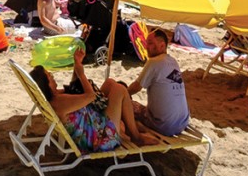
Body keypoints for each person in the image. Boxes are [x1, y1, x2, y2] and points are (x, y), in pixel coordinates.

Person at [29, 48, 160, 151]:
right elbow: (90, 96)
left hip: (95, 125)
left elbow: (75, 87)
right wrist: (81, 74)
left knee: (109, 83)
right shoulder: (59, 103)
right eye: (48, 76)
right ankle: (136, 137)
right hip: (101, 138)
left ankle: (129, 127)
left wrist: (77, 64)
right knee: (119, 90)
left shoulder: (56, 97)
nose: (52, 76)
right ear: (46, 85)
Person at [127, 29, 191, 136]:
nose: (147, 47)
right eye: (147, 43)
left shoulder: (154, 62)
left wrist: (123, 94)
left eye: (151, 44)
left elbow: (136, 88)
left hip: (163, 126)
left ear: (162, 46)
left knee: (130, 105)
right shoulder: (173, 61)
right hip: (182, 123)